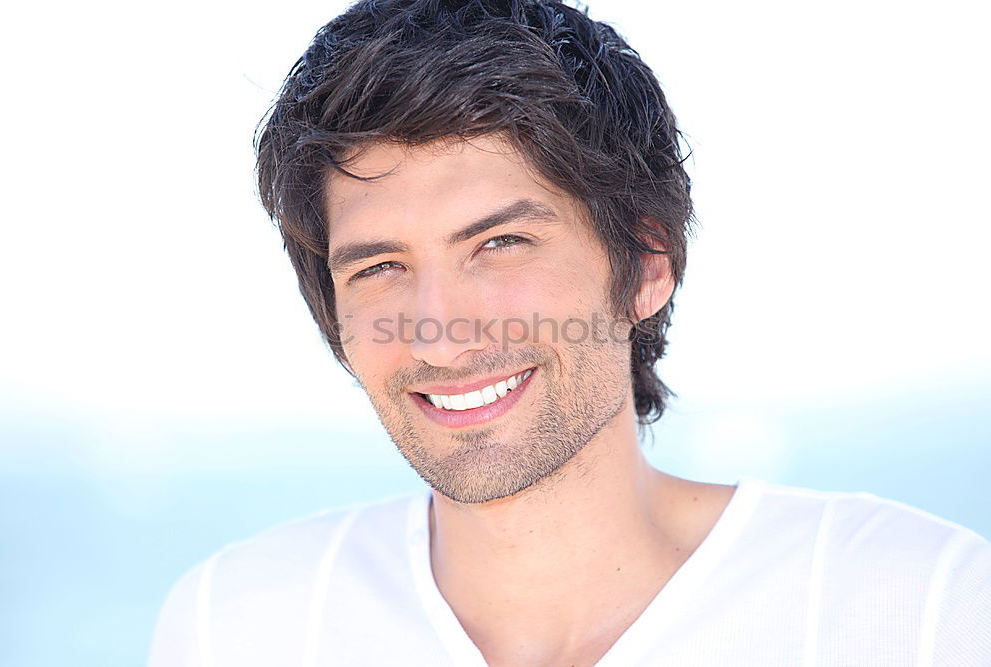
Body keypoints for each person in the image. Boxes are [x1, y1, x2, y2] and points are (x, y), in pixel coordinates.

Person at [147, 1, 990, 665]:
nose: (437, 337)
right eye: (379, 267)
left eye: (500, 244)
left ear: (647, 262)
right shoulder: (235, 626)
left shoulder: (920, 609)